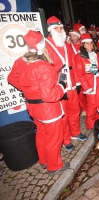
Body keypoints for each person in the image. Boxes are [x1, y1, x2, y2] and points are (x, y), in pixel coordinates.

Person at [8, 30, 70, 176]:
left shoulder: (20, 61)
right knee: (54, 138)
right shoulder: (44, 66)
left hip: (33, 107)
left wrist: (28, 90)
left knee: (41, 134)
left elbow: (11, 78)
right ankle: (54, 166)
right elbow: (51, 95)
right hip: (48, 110)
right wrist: (62, 83)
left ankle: (43, 160)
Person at [45, 16, 87, 152]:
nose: (59, 30)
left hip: (71, 83)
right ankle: (66, 139)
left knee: (75, 111)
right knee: (63, 115)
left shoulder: (66, 44)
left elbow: (74, 63)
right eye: (56, 28)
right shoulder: (46, 45)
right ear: (50, 30)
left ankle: (76, 132)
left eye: (61, 27)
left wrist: (78, 81)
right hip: (59, 86)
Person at [74, 33, 99, 130]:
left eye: (91, 43)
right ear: (83, 44)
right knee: (92, 105)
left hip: (98, 83)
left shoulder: (95, 54)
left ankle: (98, 120)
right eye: (87, 43)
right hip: (90, 85)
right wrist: (87, 87)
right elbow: (79, 73)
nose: (89, 45)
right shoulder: (79, 57)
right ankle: (89, 123)